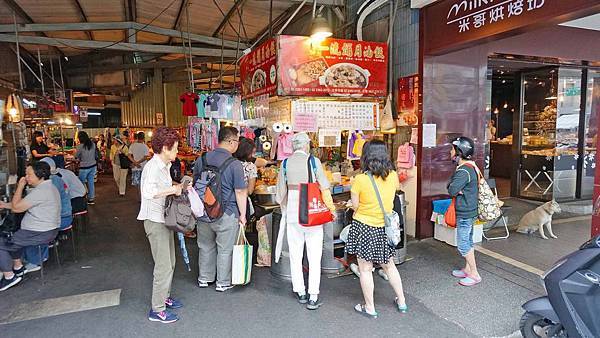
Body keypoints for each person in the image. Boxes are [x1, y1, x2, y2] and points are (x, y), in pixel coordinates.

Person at [345, 139, 408, 318]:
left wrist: (354, 204)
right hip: (384, 228)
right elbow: (394, 193)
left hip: (364, 227)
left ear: (366, 156)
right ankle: (402, 301)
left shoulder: (360, 180)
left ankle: (370, 307)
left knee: (365, 269)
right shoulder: (393, 176)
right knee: (389, 266)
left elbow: (356, 206)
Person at [275, 132, 335, 310]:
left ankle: (300, 291)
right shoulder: (313, 161)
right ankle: (313, 295)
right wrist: (331, 209)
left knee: (295, 253)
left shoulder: (285, 163)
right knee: (314, 255)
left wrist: (286, 207)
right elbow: (324, 186)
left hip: (293, 213)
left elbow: (280, 193)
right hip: (312, 211)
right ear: (306, 145)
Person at [137, 127, 184, 324]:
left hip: (163, 219)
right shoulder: (153, 167)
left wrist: (176, 187)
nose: (177, 152)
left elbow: (161, 188)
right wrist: (172, 189)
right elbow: (149, 192)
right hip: (155, 221)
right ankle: (157, 309)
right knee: (163, 266)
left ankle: (164, 296)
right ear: (165, 148)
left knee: (170, 262)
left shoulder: (163, 166)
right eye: (174, 148)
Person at [194, 126, 247, 292]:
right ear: (231, 141)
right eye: (237, 141)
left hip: (203, 211)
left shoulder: (201, 159)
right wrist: (243, 215)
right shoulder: (234, 164)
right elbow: (240, 191)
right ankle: (222, 282)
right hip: (227, 212)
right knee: (225, 249)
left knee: (205, 246)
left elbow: (196, 184)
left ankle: (204, 278)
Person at [0, 162, 60, 291]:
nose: (26, 177)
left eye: (29, 174)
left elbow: (16, 208)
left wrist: (20, 187)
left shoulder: (41, 191)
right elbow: (22, 205)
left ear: (40, 175)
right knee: (13, 236)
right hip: (42, 230)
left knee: (2, 242)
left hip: (40, 232)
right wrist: (4, 205)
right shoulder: (46, 187)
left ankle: (9, 277)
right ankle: (18, 267)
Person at [23, 157, 73, 271]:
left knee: (33, 227)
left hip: (62, 218)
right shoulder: (55, 179)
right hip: (65, 215)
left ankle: (35, 260)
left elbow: (19, 207)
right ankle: (42, 252)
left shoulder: (51, 182)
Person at [448, 136, 482, 287]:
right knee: (468, 240)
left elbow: (452, 189)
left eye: (452, 149)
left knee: (462, 244)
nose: (450, 151)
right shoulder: (471, 166)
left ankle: (474, 274)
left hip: (465, 212)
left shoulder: (463, 171)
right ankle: (468, 269)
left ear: (459, 152)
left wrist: (454, 187)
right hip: (471, 210)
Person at [75, 131, 98, 205]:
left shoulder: (80, 146)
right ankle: (91, 199)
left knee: (81, 183)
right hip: (93, 166)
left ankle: (82, 197)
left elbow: (76, 156)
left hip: (84, 167)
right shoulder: (93, 144)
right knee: (90, 182)